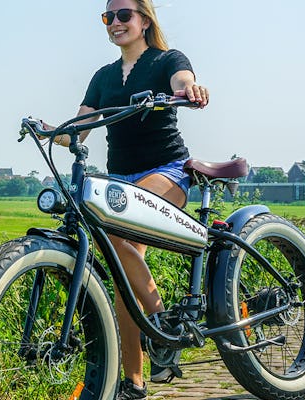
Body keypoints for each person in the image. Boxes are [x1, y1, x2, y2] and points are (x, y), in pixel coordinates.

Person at [42, 0, 209, 398]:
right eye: (108, 17)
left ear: (144, 19)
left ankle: (163, 327)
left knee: (116, 230)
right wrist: (54, 131)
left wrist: (191, 91)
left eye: (123, 15)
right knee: (121, 278)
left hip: (167, 172)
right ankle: (133, 381)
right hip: (120, 179)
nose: (115, 23)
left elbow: (183, 83)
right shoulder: (102, 77)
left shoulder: (167, 59)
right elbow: (79, 130)